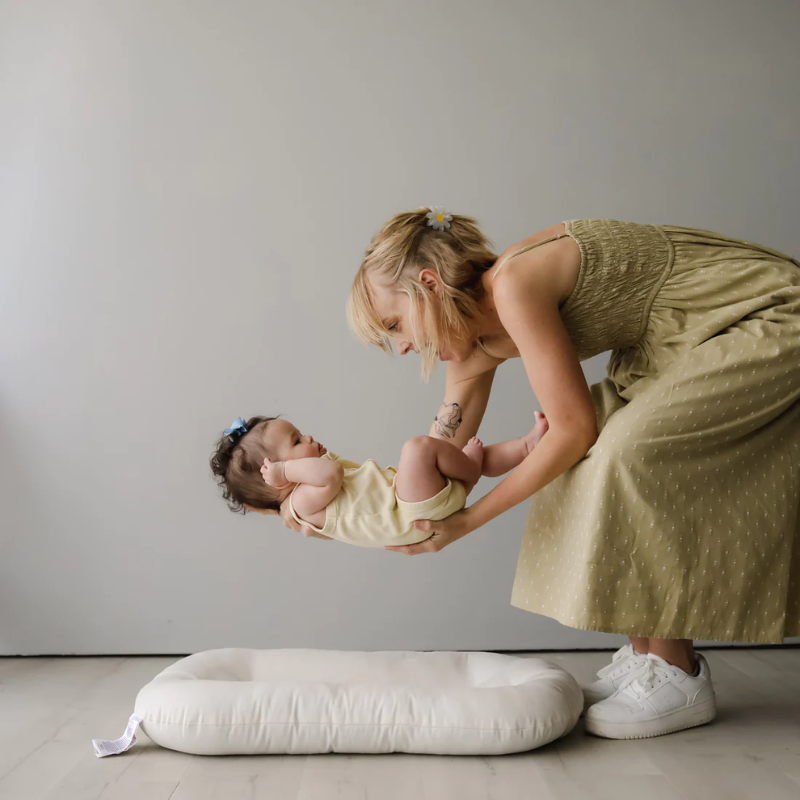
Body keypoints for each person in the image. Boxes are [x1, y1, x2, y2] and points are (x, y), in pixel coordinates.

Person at [279, 207, 800, 740]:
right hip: (678, 342)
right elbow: (438, 455)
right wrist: (342, 514)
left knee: (622, 454)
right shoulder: (473, 348)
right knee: (592, 451)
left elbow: (572, 432)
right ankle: (650, 655)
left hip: (756, 313)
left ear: (429, 286)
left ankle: (679, 673)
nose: (403, 346)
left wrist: (470, 521)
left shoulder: (515, 285)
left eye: (395, 325)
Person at [210, 412, 549, 548]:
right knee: (418, 449)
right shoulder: (301, 503)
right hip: (409, 514)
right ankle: (472, 471)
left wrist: (289, 467)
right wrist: (286, 472)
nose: (309, 438)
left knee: (449, 453)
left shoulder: (304, 490)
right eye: (297, 441)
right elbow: (331, 475)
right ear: (279, 478)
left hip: (410, 500)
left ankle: (527, 446)